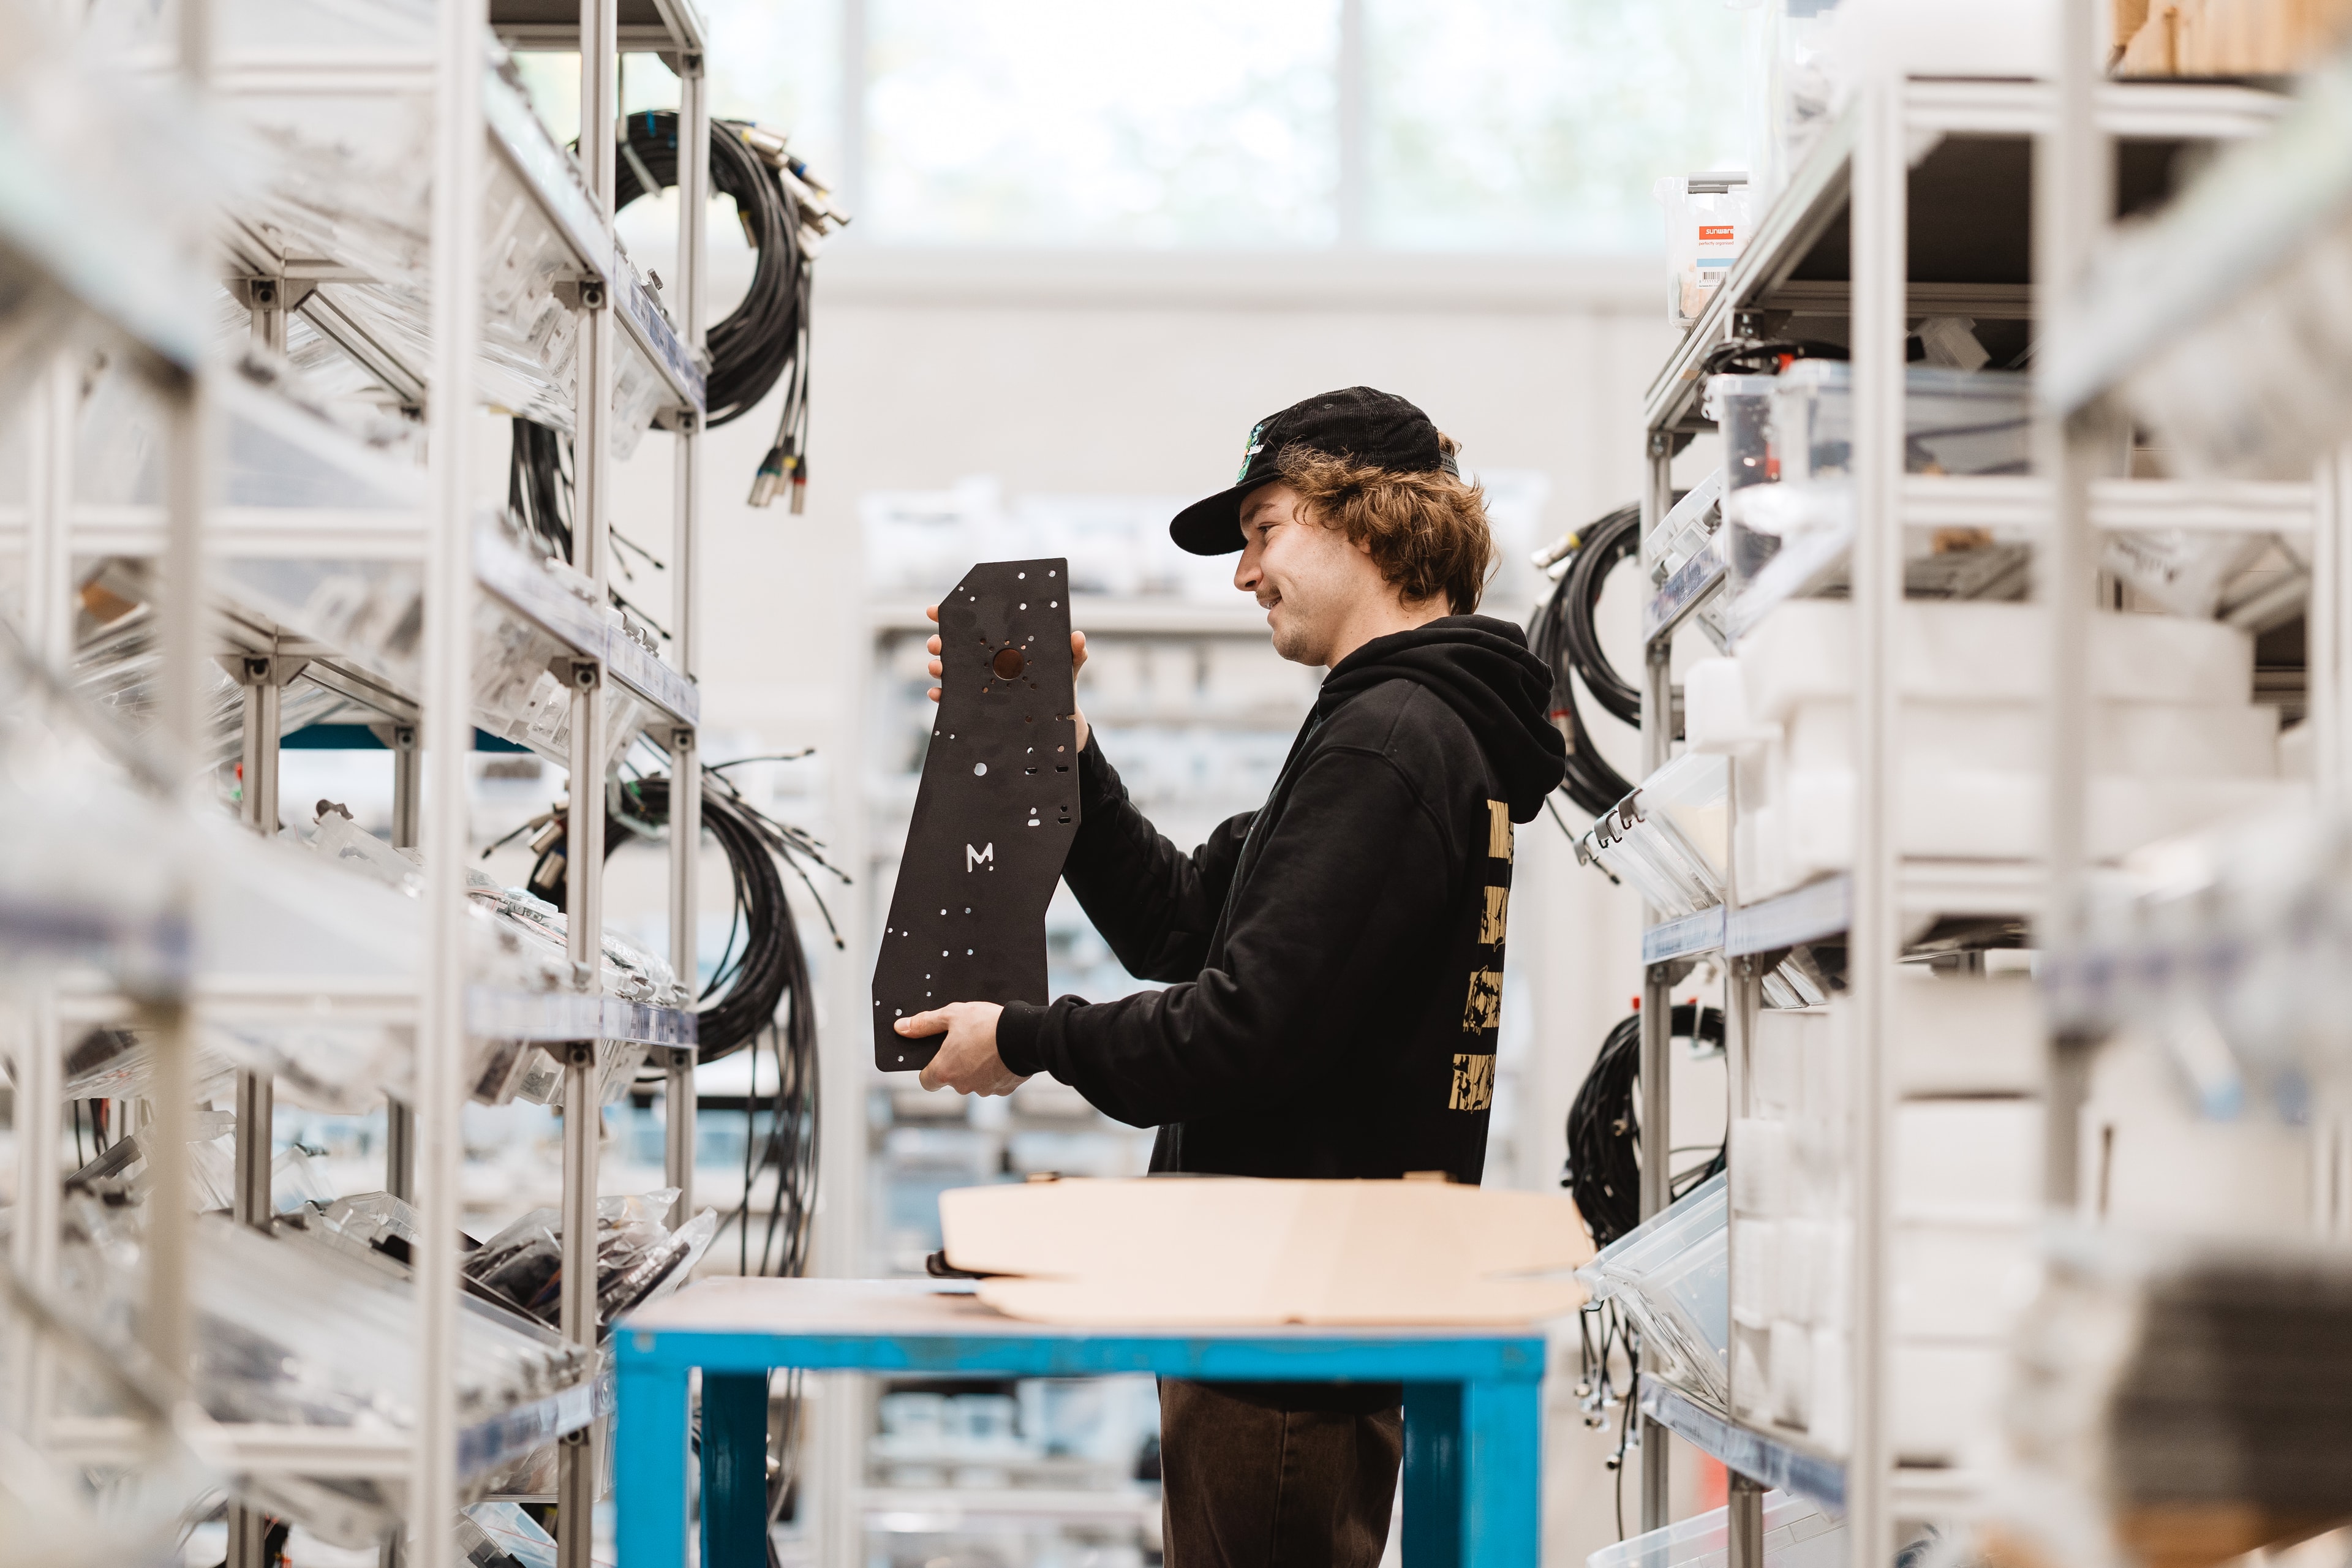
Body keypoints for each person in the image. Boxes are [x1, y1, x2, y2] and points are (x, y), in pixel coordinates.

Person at [892, 386, 1568, 1568]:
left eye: (1264, 529)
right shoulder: (1400, 727)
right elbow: (1180, 923)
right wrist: (1062, 740)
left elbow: (1237, 1034)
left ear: (1369, 519)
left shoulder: (1392, 736)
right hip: (1307, 1296)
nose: (1244, 574)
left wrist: (1027, 1037)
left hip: (1289, 1326)